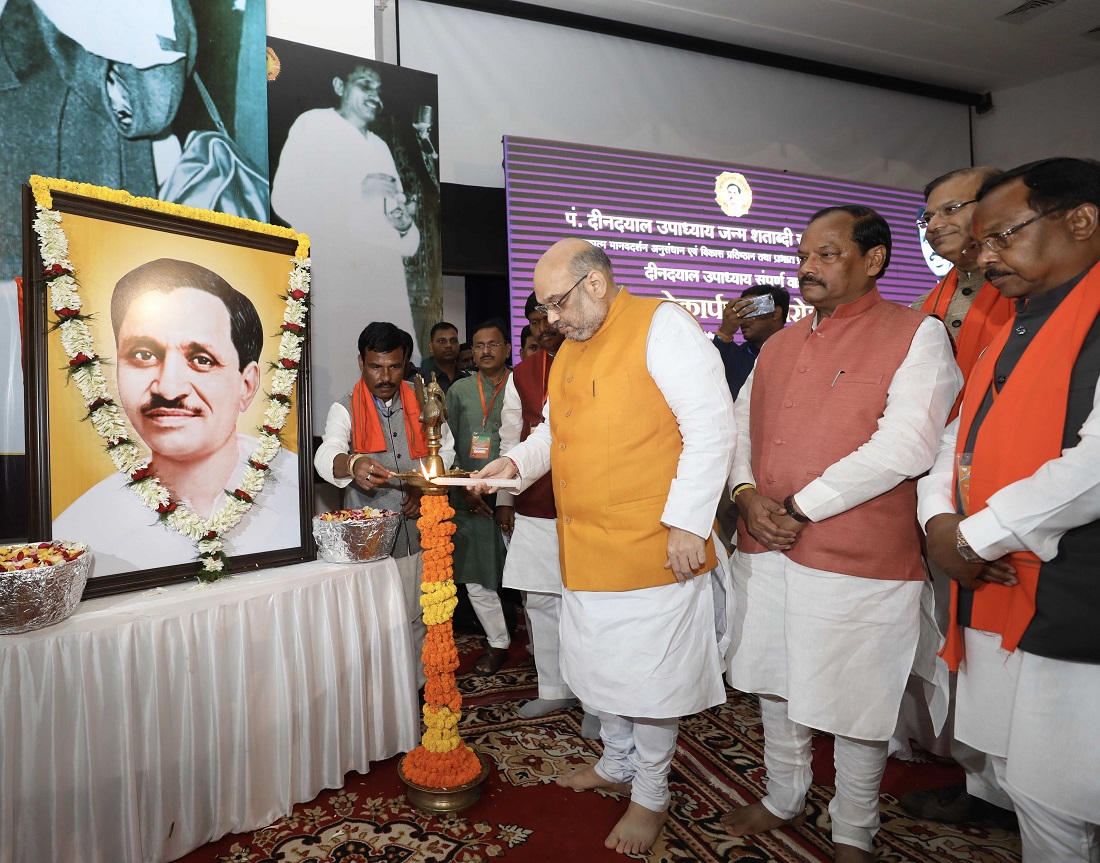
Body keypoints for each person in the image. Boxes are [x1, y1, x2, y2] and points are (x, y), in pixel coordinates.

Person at [475, 239, 735, 855]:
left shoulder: (662, 324)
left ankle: (651, 796)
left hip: (654, 543)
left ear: (595, 283)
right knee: (598, 668)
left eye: (557, 304)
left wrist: (688, 523)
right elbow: (549, 432)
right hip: (585, 543)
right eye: (543, 310)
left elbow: (712, 427)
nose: (551, 319)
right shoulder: (569, 349)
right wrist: (512, 463)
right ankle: (616, 761)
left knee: (650, 680)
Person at [722, 206, 961, 863]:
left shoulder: (918, 335)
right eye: (803, 254)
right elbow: (739, 431)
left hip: (858, 556)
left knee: (856, 697)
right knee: (774, 676)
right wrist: (745, 496)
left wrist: (799, 504)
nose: (807, 266)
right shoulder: (778, 343)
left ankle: (855, 826)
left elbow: (907, 445)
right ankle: (784, 793)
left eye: (826, 254)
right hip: (766, 544)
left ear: (873, 260)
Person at [919, 157, 1100, 862]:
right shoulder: (1012, 326)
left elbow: (1092, 466)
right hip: (1002, 581)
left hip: (1076, 600)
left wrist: (976, 533)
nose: (982, 256)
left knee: (1063, 788)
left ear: (1081, 221)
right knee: (1033, 789)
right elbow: (956, 439)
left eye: (1001, 237)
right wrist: (939, 522)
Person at [898, 166, 1018, 828]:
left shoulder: (1029, 288)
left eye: (952, 209)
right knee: (961, 635)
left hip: (1010, 491)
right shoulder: (938, 294)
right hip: (947, 487)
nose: (939, 223)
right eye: (932, 215)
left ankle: (1010, 787)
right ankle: (985, 782)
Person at [54, 258, 300, 575]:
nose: (168, 388)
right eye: (143, 355)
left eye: (201, 359)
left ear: (247, 384)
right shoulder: (81, 532)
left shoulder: (295, 491)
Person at [314, 321, 455, 682]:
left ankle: (419, 691)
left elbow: (447, 449)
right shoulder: (343, 407)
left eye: (394, 366)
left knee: (417, 614)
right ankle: (379, 695)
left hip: (415, 533)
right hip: (369, 541)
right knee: (373, 621)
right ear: (361, 362)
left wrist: (422, 485)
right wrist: (352, 463)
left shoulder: (423, 398)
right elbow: (328, 450)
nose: (386, 376)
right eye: (376, 366)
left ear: (405, 362)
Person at [271, 61, 420, 363]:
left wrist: (403, 225)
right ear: (340, 87)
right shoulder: (313, 125)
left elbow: (398, 223)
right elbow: (284, 198)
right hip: (336, 283)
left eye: (379, 91)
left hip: (383, 284)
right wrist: (356, 193)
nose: (374, 96)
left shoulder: (379, 147)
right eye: (365, 85)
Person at [496, 293, 594, 728]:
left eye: (551, 314)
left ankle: (598, 702)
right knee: (540, 602)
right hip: (536, 506)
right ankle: (554, 690)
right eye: (536, 318)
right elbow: (510, 440)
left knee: (587, 606)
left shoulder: (595, 359)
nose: (545, 324)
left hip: (589, 506)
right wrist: (504, 498)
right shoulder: (522, 374)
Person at [446, 319, 513, 675]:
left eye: (493, 344)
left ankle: (542, 646)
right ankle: (498, 642)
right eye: (478, 345)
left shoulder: (521, 385)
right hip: (468, 498)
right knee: (475, 576)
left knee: (527, 575)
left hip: (518, 494)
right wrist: (465, 488)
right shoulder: (459, 391)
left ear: (506, 348)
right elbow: (449, 445)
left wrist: (507, 497)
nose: (485, 351)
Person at [913, 167, 1015, 383]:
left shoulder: (1035, 289)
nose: (933, 226)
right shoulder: (920, 308)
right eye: (928, 218)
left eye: (950, 209)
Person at [712, 286, 790, 402]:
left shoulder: (801, 351)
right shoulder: (736, 358)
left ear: (775, 313)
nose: (743, 320)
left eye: (751, 311)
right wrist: (725, 332)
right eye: (741, 312)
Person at [418, 321, 467, 393]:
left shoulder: (468, 379)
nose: (449, 345)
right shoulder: (420, 381)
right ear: (431, 347)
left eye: (453, 341)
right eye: (442, 341)